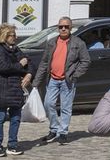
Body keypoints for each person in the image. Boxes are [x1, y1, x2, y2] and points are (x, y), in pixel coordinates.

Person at [32, 16, 89, 145]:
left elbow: (85, 61)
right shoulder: (52, 42)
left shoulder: (78, 43)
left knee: (66, 108)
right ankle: (54, 129)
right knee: (48, 104)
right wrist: (36, 81)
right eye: (60, 27)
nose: (63, 29)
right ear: (58, 28)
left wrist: (75, 75)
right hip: (52, 79)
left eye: (66, 27)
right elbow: (44, 62)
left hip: (67, 80)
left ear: (71, 28)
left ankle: (63, 132)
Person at [0, 23, 29, 158]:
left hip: (15, 89)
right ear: (4, 36)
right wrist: (20, 65)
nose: (15, 37)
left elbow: (28, 62)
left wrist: (28, 74)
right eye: (12, 35)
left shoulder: (16, 49)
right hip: (1, 89)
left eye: (15, 35)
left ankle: (12, 145)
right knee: (0, 118)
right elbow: (4, 67)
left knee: (16, 118)